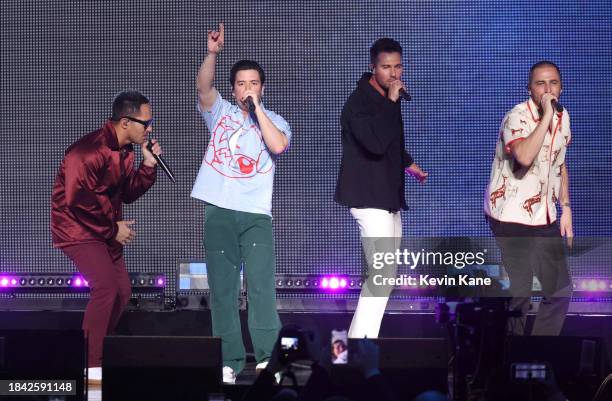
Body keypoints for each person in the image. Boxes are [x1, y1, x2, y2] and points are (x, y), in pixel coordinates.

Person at [193, 23, 291, 384]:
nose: (246, 88)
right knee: (223, 290)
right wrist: (213, 54)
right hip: (219, 211)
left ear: (261, 87)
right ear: (233, 89)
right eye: (240, 84)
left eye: (253, 83)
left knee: (262, 288)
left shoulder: (276, 120)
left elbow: (278, 146)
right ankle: (229, 362)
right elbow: (203, 88)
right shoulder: (221, 113)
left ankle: (267, 360)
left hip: (256, 216)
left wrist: (257, 110)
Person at [51, 90, 161, 382]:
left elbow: (128, 192)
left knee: (122, 291)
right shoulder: (86, 152)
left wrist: (148, 167)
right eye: (145, 123)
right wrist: (113, 229)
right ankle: (91, 367)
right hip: (76, 228)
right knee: (106, 288)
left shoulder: (124, 151)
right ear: (125, 121)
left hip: (102, 226)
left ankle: (96, 350)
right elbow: (77, 201)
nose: (150, 128)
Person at [335, 38, 428, 339]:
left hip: (387, 196)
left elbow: (388, 142)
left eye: (398, 66)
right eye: (386, 67)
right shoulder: (359, 103)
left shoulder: (385, 99)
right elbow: (374, 142)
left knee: (382, 277)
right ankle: (354, 351)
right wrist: (391, 101)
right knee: (381, 275)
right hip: (367, 198)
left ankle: (357, 350)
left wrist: (408, 162)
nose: (394, 73)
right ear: (372, 68)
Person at [484, 60, 573, 335]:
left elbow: (559, 163)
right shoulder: (517, 116)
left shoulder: (564, 116)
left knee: (559, 290)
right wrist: (546, 116)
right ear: (529, 88)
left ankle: (538, 354)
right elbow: (523, 155)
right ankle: (509, 363)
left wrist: (565, 206)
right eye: (540, 83)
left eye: (553, 82)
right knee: (520, 293)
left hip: (543, 214)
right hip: (510, 215)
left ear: (561, 86)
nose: (548, 89)